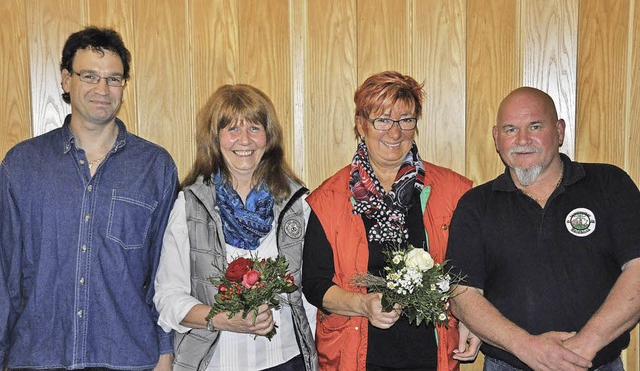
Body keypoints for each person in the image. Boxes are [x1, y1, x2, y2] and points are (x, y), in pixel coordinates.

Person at [0, 27, 178, 369]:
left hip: (127, 358)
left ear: (124, 85)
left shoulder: (155, 167)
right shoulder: (22, 165)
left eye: (114, 79)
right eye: (90, 76)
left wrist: (165, 351)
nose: (102, 89)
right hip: (39, 357)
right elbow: (4, 274)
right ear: (66, 80)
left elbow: (162, 272)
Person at [446, 86, 640, 371]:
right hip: (509, 365)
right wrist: (528, 348)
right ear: (496, 137)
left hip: (596, 364)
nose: (522, 140)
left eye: (535, 126)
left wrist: (583, 347)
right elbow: (462, 295)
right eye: (511, 129)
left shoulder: (609, 184)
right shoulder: (476, 205)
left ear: (559, 131)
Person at [302, 71, 479, 371]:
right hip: (356, 355)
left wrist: (473, 322)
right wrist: (363, 305)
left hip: (430, 355)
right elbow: (315, 285)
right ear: (361, 124)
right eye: (382, 120)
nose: (395, 133)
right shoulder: (329, 198)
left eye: (406, 120)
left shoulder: (454, 192)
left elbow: (470, 273)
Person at [153, 84, 318, 371]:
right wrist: (221, 318)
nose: (244, 140)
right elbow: (167, 298)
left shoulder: (298, 204)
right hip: (215, 363)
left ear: (269, 137)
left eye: (254, 128)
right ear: (215, 139)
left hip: (286, 361)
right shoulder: (189, 205)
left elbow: (309, 302)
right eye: (231, 129)